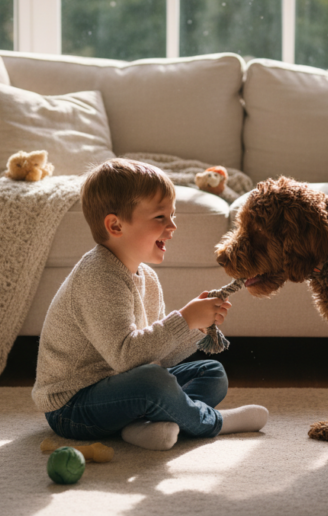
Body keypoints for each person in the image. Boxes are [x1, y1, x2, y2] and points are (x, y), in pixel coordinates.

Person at [32, 158, 268, 451]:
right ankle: (212, 422)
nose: (172, 226)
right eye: (160, 217)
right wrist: (183, 320)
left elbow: (158, 358)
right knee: (153, 383)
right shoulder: (98, 276)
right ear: (116, 225)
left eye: (172, 215)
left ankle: (141, 428)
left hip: (123, 387)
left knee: (212, 373)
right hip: (73, 406)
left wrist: (197, 327)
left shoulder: (147, 278)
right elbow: (127, 357)